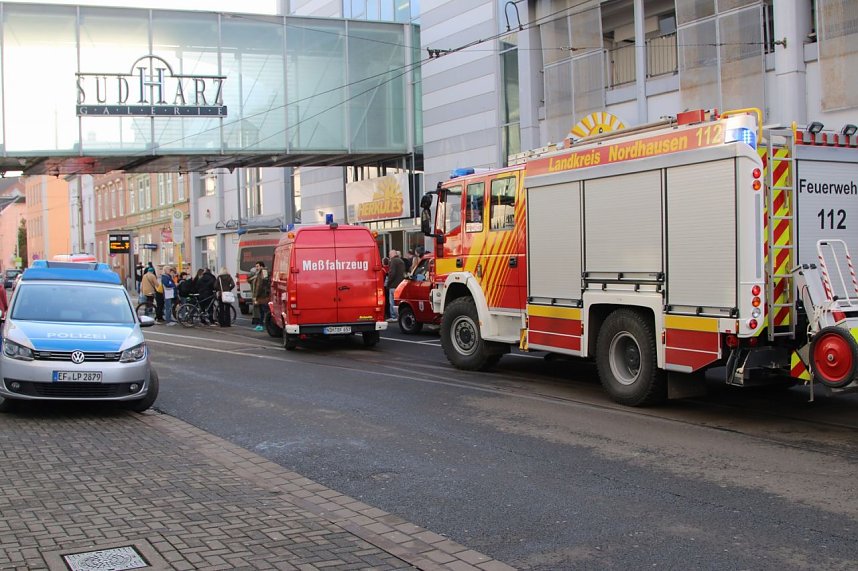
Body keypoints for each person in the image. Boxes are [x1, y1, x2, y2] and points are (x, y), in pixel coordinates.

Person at [386, 250, 406, 321]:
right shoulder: (401, 261)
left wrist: (388, 283)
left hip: (393, 285)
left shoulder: (393, 261)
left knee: (392, 302)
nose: (389, 256)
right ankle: (398, 316)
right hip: (400, 284)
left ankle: (393, 316)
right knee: (398, 302)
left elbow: (392, 273)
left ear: (392, 254)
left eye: (389, 254)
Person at [251, 261, 270, 332]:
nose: (256, 268)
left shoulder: (263, 272)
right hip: (262, 295)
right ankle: (261, 324)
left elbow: (260, 285)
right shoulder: (261, 273)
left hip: (262, 296)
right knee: (262, 310)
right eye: (256, 266)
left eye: (257, 266)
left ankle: (263, 325)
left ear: (261, 266)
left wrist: (256, 295)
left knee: (264, 310)